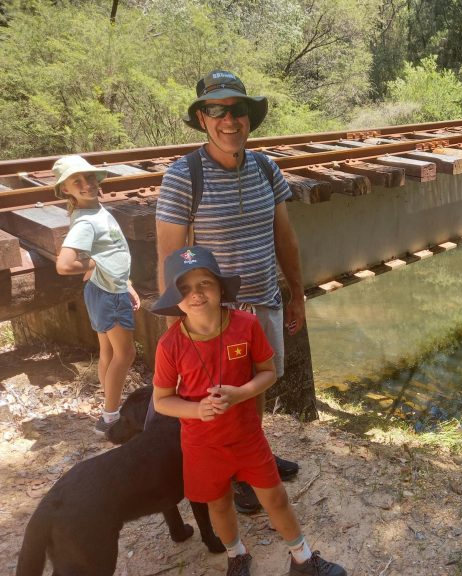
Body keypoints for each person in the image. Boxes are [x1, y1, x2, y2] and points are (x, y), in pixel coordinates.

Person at [155, 69, 303, 513]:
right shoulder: (184, 176)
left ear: (248, 118)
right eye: (217, 111)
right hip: (213, 313)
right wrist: (178, 323)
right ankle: (237, 473)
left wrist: (296, 293)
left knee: (255, 385)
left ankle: (251, 453)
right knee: (217, 396)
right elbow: (170, 255)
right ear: (202, 118)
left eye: (237, 110)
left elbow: (285, 238)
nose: (229, 120)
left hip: (264, 300)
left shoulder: (265, 167)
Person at [151, 246, 345, 576]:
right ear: (175, 298)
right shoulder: (170, 344)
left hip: (246, 436)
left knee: (276, 498)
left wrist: (240, 394)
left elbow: (267, 372)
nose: (196, 295)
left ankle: (302, 559)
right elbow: (161, 400)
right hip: (201, 444)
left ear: (220, 287)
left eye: (204, 284)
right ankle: (236, 554)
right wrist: (198, 410)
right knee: (219, 503)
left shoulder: (246, 325)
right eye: (184, 288)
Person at [54, 155, 140, 433]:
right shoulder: (86, 222)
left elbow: (110, 252)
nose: (87, 184)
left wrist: (126, 282)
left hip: (107, 289)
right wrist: (93, 263)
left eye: (89, 177)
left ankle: (109, 404)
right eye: (76, 181)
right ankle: (110, 417)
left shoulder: (93, 213)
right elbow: (65, 264)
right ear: (65, 189)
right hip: (107, 294)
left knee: (108, 350)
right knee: (126, 354)